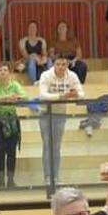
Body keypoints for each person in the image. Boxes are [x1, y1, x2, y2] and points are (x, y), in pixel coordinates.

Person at [38, 56, 84, 186]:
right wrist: (62, 96)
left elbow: (81, 94)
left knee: (56, 147)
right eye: (58, 64)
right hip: (45, 114)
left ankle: (56, 177)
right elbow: (42, 95)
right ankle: (48, 178)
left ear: (67, 65)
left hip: (60, 114)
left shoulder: (72, 76)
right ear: (54, 64)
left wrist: (75, 95)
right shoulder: (46, 75)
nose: (61, 67)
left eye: (64, 64)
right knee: (47, 146)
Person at [0, 62, 25, 189]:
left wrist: (10, 98)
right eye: (0, 70)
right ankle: (1, 180)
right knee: (0, 152)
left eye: (5, 70)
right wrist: (9, 98)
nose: (3, 72)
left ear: (9, 73)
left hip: (12, 120)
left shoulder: (15, 85)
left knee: (12, 152)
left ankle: (11, 180)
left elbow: (24, 96)